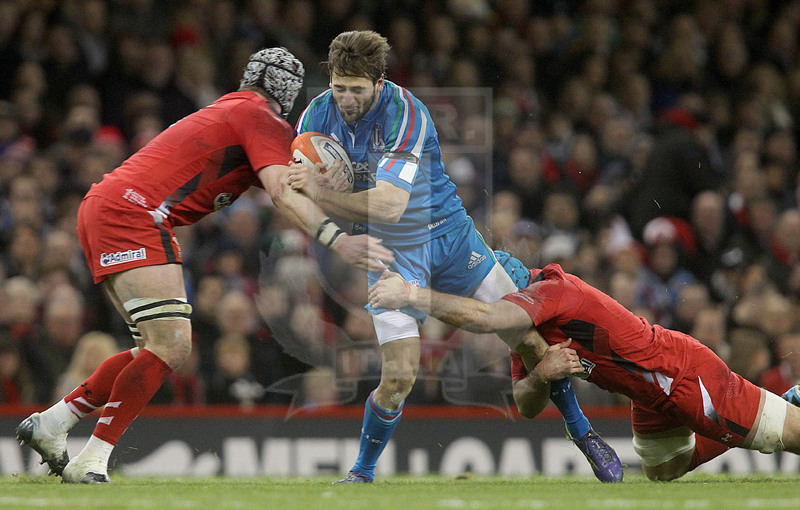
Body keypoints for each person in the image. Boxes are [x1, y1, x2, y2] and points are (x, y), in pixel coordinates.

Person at [16, 47, 394, 484]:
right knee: (172, 346)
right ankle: (92, 459)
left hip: (108, 206)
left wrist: (333, 191)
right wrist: (339, 240)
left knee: (151, 349)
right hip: (135, 213)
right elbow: (283, 193)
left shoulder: (235, 112)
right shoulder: (261, 118)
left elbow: (293, 187)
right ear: (288, 94)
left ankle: (53, 423)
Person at [287, 31, 621, 484]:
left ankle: (583, 433)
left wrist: (321, 193)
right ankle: (361, 475)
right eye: (339, 87)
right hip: (393, 256)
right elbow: (295, 188)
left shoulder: (405, 113)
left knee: (527, 340)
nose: (346, 99)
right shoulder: (315, 115)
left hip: (450, 239)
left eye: (356, 89)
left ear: (380, 83)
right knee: (399, 376)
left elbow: (389, 205)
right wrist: (317, 205)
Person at [368, 254, 800, 482]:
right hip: (646, 395)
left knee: (791, 435)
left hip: (680, 375)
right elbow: (527, 406)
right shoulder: (527, 333)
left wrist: (412, 295)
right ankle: (778, 404)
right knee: (664, 468)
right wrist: (543, 373)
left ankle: (775, 412)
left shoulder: (553, 291)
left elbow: (485, 318)